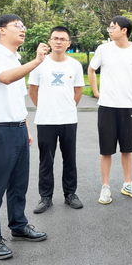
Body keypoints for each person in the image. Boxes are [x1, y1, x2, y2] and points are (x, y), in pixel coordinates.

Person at [0, 14, 49, 260]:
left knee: (19, 185)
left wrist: (25, 129)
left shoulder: (16, 59)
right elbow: (6, 79)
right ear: (1, 30)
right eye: (17, 25)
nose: (23, 29)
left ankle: (18, 226)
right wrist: (37, 61)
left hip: (18, 130)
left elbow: (19, 100)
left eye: (23, 26)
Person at [88, 16, 132, 204]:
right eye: (109, 27)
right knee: (106, 150)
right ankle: (105, 187)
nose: (110, 30)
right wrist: (96, 91)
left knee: (127, 149)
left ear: (124, 30)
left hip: (128, 106)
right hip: (107, 106)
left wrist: (128, 85)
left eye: (113, 27)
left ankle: (127, 184)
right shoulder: (103, 49)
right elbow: (91, 69)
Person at [28, 26, 85, 214]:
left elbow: (78, 91)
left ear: (69, 43)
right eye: (55, 38)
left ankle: (70, 194)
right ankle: (46, 197)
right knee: (46, 160)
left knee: (70, 159)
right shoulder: (39, 63)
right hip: (45, 120)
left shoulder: (75, 65)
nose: (59, 42)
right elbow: (32, 91)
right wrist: (45, 108)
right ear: (50, 41)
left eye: (63, 39)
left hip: (68, 119)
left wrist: (68, 107)